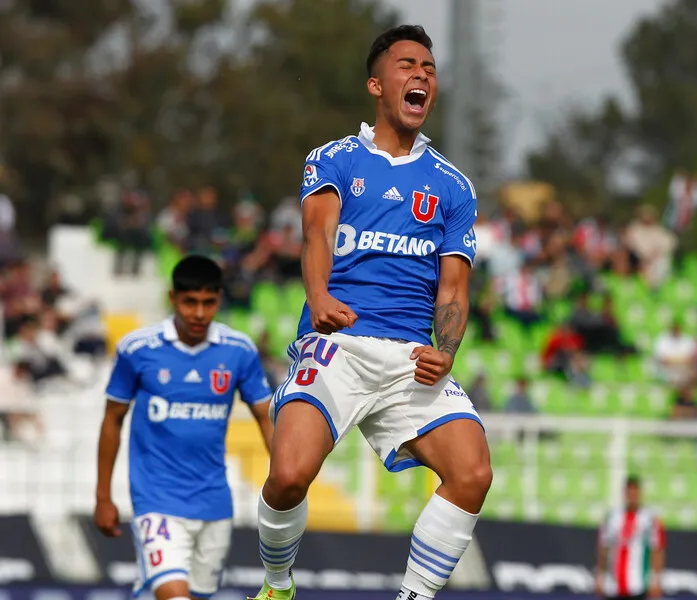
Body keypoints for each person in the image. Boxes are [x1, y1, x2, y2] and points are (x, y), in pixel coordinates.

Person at [251, 24, 490, 600]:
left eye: (430, 69)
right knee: (286, 476)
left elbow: (454, 286)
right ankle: (278, 586)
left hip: (409, 358)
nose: (422, 76)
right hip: (337, 346)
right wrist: (318, 297)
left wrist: (446, 349)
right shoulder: (334, 158)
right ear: (376, 84)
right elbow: (317, 234)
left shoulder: (453, 186)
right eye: (408, 65)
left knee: (473, 473)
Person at [94, 255, 274, 600]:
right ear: (172, 297)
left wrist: (285, 479)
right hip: (156, 500)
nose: (200, 313)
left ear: (220, 298)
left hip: (214, 504)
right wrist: (103, 496)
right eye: (190, 302)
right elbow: (112, 419)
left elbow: (265, 416)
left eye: (209, 302)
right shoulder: (138, 349)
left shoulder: (239, 351)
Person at [596, 476, 666, 599]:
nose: (632, 497)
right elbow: (603, 547)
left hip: (638, 585)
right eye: (629, 493)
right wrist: (600, 576)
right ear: (625, 493)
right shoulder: (612, 517)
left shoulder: (649, 518)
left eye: (635, 493)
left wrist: (656, 580)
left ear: (640, 493)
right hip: (613, 585)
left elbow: (657, 550)